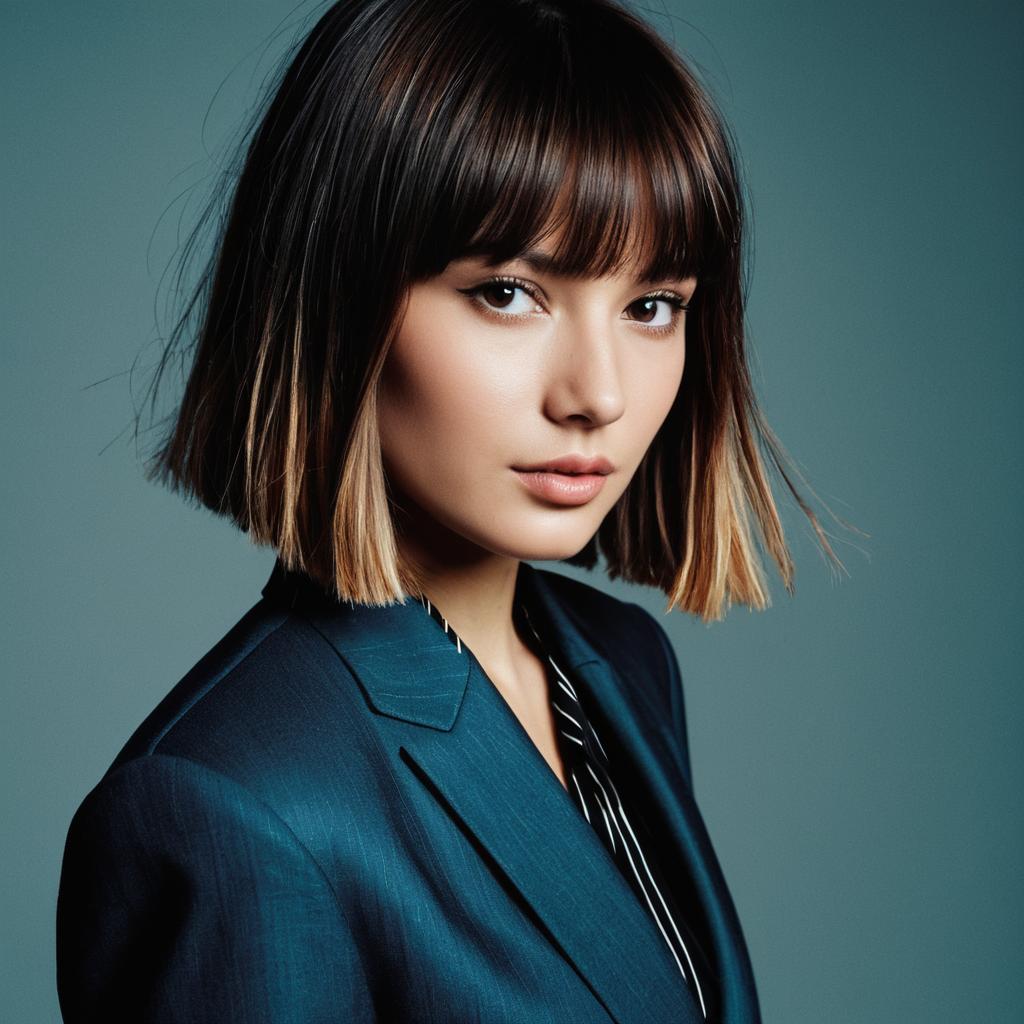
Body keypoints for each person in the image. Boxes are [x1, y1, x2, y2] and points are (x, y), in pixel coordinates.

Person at [56, 1, 844, 1021]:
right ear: (335, 297)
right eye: (509, 291)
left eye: (652, 305)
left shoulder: (623, 664)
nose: (596, 392)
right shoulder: (228, 807)